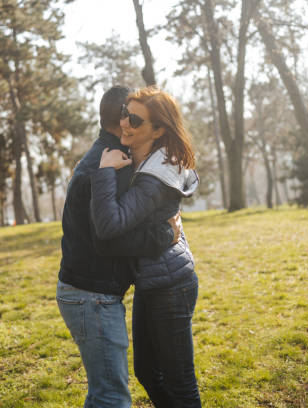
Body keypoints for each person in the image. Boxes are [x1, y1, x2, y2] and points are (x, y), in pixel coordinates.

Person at [57, 85, 180, 408]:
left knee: (103, 393)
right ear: (122, 118)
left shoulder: (106, 156)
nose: (130, 121)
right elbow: (109, 237)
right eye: (130, 115)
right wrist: (166, 236)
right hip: (91, 296)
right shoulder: (112, 165)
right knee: (111, 397)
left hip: (87, 292)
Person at [90, 86, 202, 407]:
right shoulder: (146, 160)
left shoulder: (155, 175)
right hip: (154, 282)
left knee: (179, 382)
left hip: (171, 287)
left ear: (158, 130)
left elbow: (110, 226)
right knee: (148, 372)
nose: (124, 122)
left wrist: (104, 172)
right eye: (126, 112)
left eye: (135, 120)